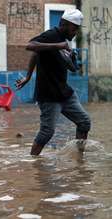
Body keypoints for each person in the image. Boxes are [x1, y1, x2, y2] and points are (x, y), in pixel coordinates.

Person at [16, 9, 91, 156]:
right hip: (49, 95)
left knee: (84, 122)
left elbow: (36, 54)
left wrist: (28, 76)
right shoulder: (52, 35)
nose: (75, 32)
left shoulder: (66, 41)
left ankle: (79, 158)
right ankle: (33, 161)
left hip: (64, 93)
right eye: (74, 28)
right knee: (47, 132)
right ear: (64, 24)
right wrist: (58, 46)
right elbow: (30, 46)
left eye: (77, 29)